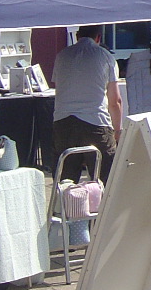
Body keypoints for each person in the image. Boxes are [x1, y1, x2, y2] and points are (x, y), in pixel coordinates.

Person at [52, 25, 122, 182]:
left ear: (77, 35)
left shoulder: (62, 55)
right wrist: (117, 130)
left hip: (64, 122)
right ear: (98, 37)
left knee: (66, 183)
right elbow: (115, 101)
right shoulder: (105, 57)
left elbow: (60, 87)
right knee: (105, 181)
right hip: (95, 122)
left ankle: (67, 207)